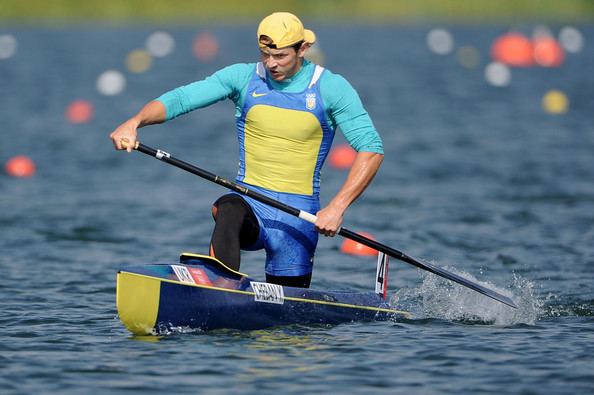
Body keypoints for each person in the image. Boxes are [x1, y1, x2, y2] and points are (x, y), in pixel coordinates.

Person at [110, 12, 384, 288]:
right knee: (228, 207)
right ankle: (220, 288)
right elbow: (182, 98)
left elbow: (371, 149)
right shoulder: (243, 77)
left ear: (303, 49)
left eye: (280, 56)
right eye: (265, 54)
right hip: (250, 203)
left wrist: (336, 208)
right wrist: (135, 122)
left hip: (299, 220)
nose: (270, 63)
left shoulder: (331, 88)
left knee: (288, 325)